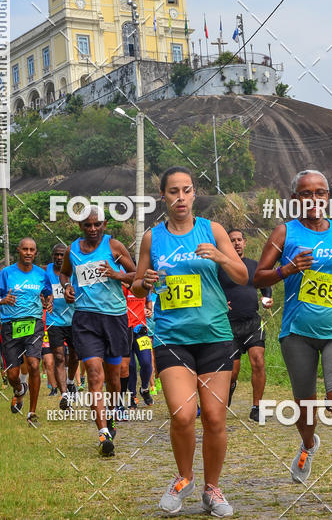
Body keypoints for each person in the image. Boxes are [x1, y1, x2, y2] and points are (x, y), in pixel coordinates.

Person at [253, 169, 332, 516]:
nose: (314, 199)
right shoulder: (285, 232)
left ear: (327, 198)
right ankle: (308, 444)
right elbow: (257, 277)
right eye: (306, 193)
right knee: (306, 404)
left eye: (320, 193)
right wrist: (287, 269)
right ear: (295, 199)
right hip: (297, 331)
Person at [132, 166, 248, 518]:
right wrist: (146, 281)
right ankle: (183, 478)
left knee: (214, 418)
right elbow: (136, 286)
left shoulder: (212, 230)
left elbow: (243, 276)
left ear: (194, 193)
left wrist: (221, 256)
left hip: (214, 335)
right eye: (172, 192)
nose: (180, 197)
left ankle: (212, 489)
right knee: (183, 415)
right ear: (163, 197)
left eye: (186, 190)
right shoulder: (153, 238)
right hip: (171, 337)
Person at [59, 205, 136, 457]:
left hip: (114, 318)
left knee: (114, 380)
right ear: (80, 227)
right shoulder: (72, 250)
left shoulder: (114, 246)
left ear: (104, 224)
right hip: (85, 320)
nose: (93, 229)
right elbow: (64, 275)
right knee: (94, 374)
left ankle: (111, 418)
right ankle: (103, 434)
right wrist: (68, 289)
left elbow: (136, 274)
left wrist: (116, 274)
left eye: (97, 224)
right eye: (88, 225)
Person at [0, 237, 53, 427]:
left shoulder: (41, 274)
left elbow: (49, 293)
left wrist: (48, 302)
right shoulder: (7, 273)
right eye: (25, 249)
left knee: (33, 364)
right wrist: (2, 301)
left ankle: (32, 412)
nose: (29, 253)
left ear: (36, 252)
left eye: (32, 250)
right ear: (19, 250)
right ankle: (19, 390)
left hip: (34, 325)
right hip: (10, 326)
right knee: (12, 375)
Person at [217, 228, 273, 421]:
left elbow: (266, 288)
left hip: (252, 322)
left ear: (245, 242)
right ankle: (230, 388)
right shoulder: (220, 267)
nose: (236, 243)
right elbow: (210, 291)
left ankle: (256, 407)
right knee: (232, 372)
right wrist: (219, 302)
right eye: (232, 240)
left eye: (239, 240)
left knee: (258, 360)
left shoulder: (254, 266)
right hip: (228, 324)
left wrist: (267, 299)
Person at [45, 243, 79, 409]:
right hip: (54, 320)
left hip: (74, 319)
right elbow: (41, 289)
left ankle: (71, 382)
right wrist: (45, 298)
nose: (59, 258)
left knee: (75, 355)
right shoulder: (46, 271)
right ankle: (64, 395)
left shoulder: (74, 270)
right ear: (52, 256)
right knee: (58, 356)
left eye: (62, 255)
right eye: (56, 255)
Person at [123, 283, 154, 408]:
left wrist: (149, 310)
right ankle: (132, 396)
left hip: (141, 330)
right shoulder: (121, 286)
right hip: (125, 330)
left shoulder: (142, 285)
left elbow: (148, 302)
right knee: (130, 366)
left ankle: (145, 389)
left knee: (147, 362)